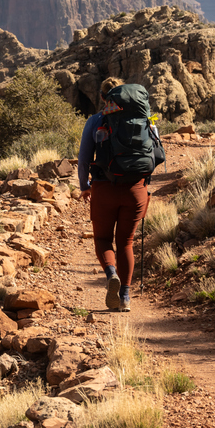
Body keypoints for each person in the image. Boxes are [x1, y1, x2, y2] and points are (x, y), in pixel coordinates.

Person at [78, 78, 159, 312]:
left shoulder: (96, 121)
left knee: (103, 239)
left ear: (104, 98)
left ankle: (111, 273)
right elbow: (157, 153)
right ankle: (124, 296)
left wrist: (85, 186)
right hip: (136, 190)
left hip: (104, 188)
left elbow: (84, 159)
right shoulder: (145, 119)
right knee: (126, 242)